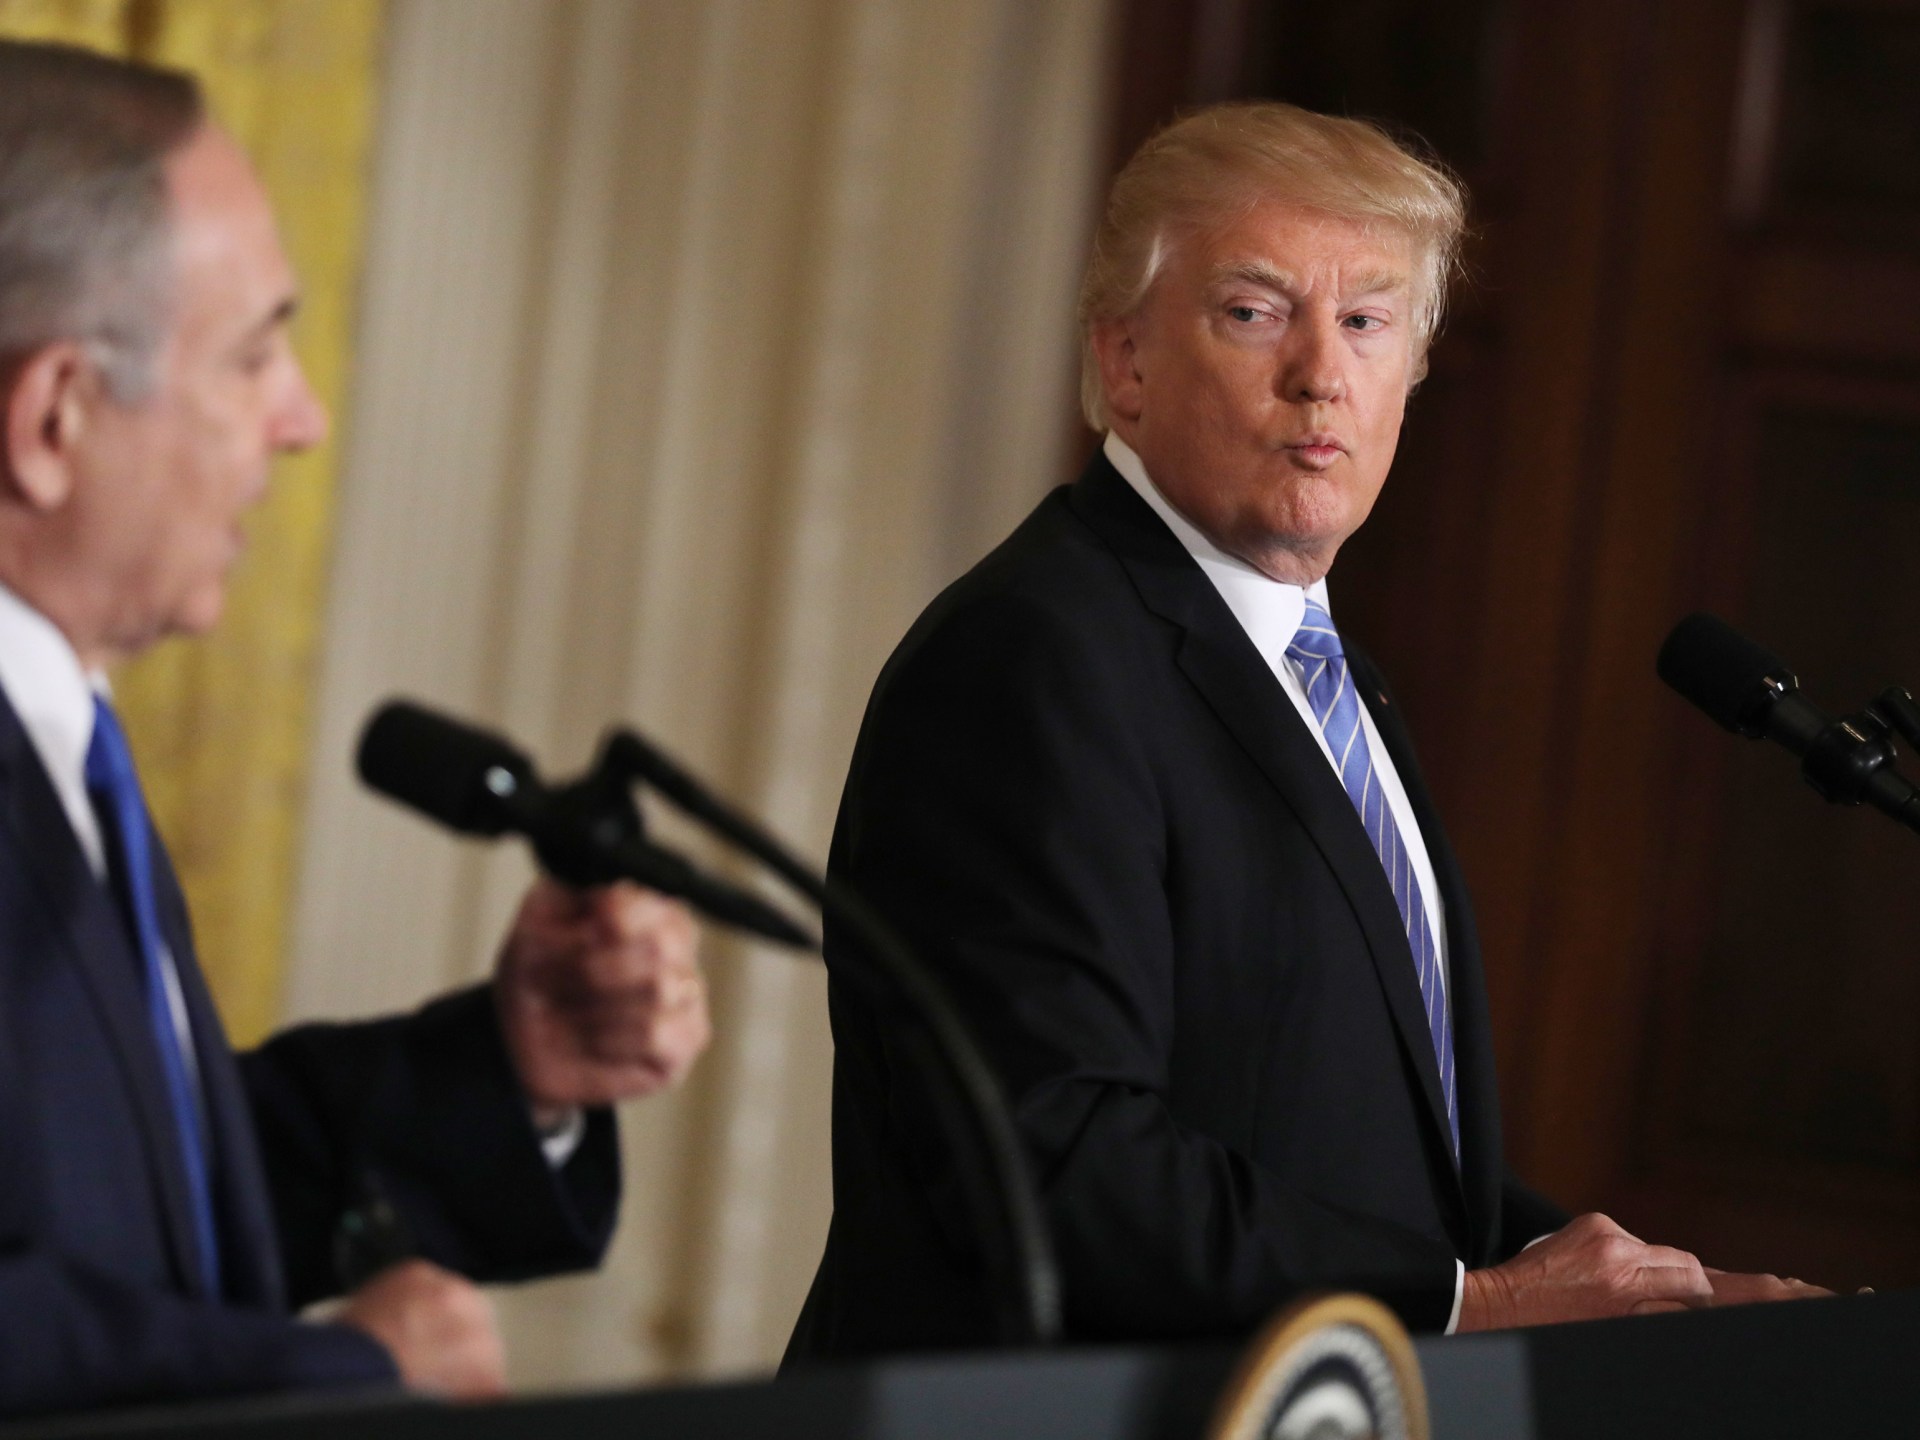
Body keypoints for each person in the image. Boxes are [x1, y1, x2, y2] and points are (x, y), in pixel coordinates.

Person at [786, 101, 1824, 1361]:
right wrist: (1471, 1306)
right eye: (1254, 311)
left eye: (1368, 322)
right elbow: (1050, 1159)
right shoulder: (1032, 658)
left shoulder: (1319, 672)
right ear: (1125, 360)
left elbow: (1355, 1158)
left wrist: (1661, 1297)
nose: (1321, 373)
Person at [0, 40, 710, 1415]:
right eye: (253, 355)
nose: (302, 420)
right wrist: (340, 1375)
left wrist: (505, 1070)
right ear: (56, 418)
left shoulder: (61, 738)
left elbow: (125, 1206)